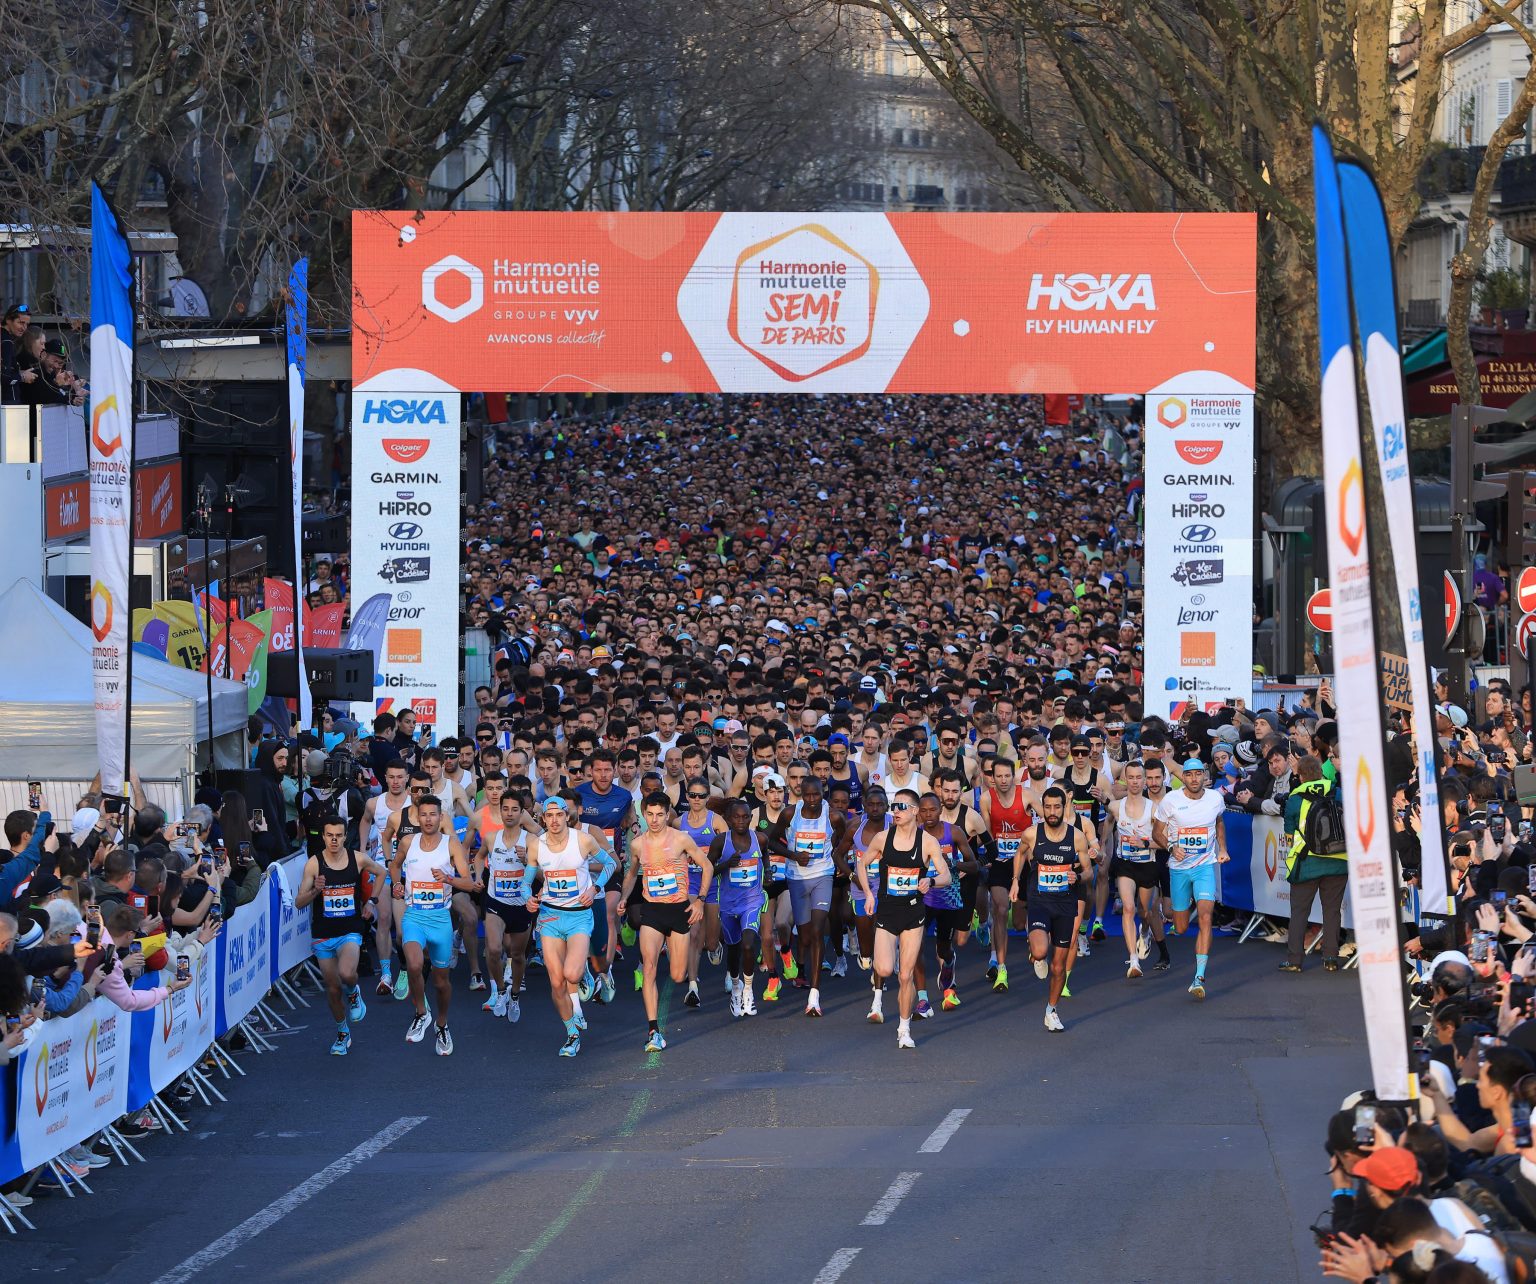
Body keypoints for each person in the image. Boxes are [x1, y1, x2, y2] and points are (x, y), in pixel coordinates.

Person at [521, 797, 615, 1057]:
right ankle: (571, 1034)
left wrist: (595, 888)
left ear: (566, 816)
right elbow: (525, 881)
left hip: (578, 916)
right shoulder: (535, 846)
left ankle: (582, 973)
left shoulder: (582, 840)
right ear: (543, 819)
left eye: (558, 815)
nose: (554, 820)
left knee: (571, 975)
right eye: (549, 815)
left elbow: (611, 864)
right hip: (550, 917)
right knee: (556, 982)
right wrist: (528, 896)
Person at [618, 792, 710, 1052]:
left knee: (677, 975)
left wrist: (700, 900)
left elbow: (707, 866)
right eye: (650, 814)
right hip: (652, 912)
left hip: (678, 910)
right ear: (644, 814)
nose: (655, 820)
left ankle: (672, 946)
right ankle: (653, 1030)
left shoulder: (681, 839)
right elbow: (632, 873)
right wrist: (624, 898)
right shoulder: (637, 844)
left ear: (668, 813)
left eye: (660, 814)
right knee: (649, 967)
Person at [859, 788, 949, 1048]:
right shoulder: (882, 838)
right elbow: (862, 864)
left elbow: (946, 876)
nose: (894, 811)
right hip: (886, 911)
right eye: (893, 806)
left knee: (906, 975)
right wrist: (868, 894)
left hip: (913, 913)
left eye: (900, 806)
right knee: (886, 969)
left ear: (913, 811)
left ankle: (904, 1028)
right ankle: (882, 976)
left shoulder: (927, 842)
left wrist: (930, 880)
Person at [388, 796, 475, 1056]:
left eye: (433, 815)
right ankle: (421, 1014)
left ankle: (442, 1023)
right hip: (414, 915)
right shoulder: (407, 841)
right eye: (423, 815)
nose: (428, 819)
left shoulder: (451, 844)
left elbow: (469, 883)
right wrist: (397, 883)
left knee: (441, 982)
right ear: (418, 818)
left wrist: (448, 878)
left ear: (441, 818)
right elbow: (394, 865)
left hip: (440, 919)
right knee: (413, 964)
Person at [295, 818, 387, 1055]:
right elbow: (298, 902)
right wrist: (316, 889)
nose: (334, 839)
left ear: (345, 836)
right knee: (333, 989)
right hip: (323, 933)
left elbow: (381, 872)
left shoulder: (357, 859)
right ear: (323, 837)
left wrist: (372, 902)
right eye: (329, 835)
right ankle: (342, 1032)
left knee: (347, 973)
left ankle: (355, 994)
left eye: (338, 835)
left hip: (350, 929)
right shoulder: (314, 865)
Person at [765, 775, 848, 1018]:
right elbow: (771, 841)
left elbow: (844, 840)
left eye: (816, 795)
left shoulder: (833, 816)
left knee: (817, 929)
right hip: (797, 878)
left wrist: (835, 854)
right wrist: (792, 855)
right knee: (805, 932)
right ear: (800, 793)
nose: (812, 800)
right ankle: (800, 965)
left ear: (823, 793)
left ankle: (814, 994)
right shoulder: (790, 814)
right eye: (807, 795)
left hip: (823, 874)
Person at [1013, 785, 1092, 1031]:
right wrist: (1015, 880)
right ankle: (1036, 953)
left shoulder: (1076, 836)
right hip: (1039, 900)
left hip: (1065, 904)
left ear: (1064, 807)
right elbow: (1019, 853)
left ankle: (1051, 1010)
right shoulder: (1031, 834)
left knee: (1058, 967)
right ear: (1042, 809)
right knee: (1039, 951)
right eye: (1047, 807)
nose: (1052, 811)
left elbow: (1088, 870)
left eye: (1057, 806)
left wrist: (1077, 878)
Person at [1152, 758, 1230, 1001]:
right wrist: (1172, 846)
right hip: (1179, 868)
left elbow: (1219, 822)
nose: (1194, 779)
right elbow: (1156, 831)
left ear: (1204, 776)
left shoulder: (1215, 798)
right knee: (1182, 926)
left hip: (1204, 866)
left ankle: (1199, 977)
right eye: (1190, 775)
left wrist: (1222, 849)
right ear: (1183, 777)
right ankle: (1176, 913)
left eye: (1199, 774)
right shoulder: (1171, 800)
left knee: (1206, 915)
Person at [1279, 754, 1348, 974]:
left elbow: (1289, 835)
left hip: (1306, 863)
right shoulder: (1337, 793)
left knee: (1299, 912)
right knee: (1332, 911)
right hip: (1338, 861)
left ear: (1300, 776)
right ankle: (1330, 958)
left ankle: (1295, 960)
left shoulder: (1295, 799)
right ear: (1320, 773)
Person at [1104, 760, 1169, 977]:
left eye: (1138, 777)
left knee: (1145, 911)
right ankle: (1133, 961)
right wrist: (1104, 846)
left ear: (1143, 780)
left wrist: (1145, 843)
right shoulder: (1116, 806)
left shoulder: (1154, 809)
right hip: (1125, 865)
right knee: (1129, 908)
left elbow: (1166, 840)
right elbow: (1108, 821)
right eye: (1130, 777)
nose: (1134, 781)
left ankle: (1145, 930)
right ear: (1125, 779)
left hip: (1147, 865)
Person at [480, 791, 534, 1022]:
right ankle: (501, 990)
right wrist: (478, 874)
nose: (509, 814)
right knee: (493, 949)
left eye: (514, 810)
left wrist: (527, 861)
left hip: (521, 904)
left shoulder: (531, 841)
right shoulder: (492, 838)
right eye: (505, 809)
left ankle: (514, 995)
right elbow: (479, 856)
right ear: (500, 810)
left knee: (517, 955)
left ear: (522, 813)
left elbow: (542, 871)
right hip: (496, 902)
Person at [708, 799, 765, 1017]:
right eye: (736, 817)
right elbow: (708, 869)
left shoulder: (760, 838)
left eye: (745, 817)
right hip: (728, 904)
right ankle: (736, 987)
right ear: (729, 820)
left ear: (751, 818)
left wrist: (766, 871)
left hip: (752, 901)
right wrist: (725, 865)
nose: (741, 821)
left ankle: (749, 990)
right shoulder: (720, 842)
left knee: (749, 944)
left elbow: (766, 855)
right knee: (733, 948)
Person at [980, 757, 1032, 993]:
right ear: (992, 777)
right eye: (998, 776)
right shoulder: (986, 798)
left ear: (1014, 776)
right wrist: (990, 858)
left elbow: (1045, 823)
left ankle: (1032, 940)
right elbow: (988, 833)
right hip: (1001, 862)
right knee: (1000, 909)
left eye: (1007, 776)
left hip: (1024, 862)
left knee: (1019, 922)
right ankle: (1001, 966)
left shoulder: (1028, 795)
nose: (1002, 780)